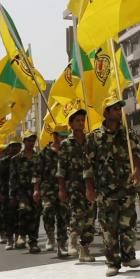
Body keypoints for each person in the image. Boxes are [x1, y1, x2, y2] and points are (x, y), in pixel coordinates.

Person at [87, 97, 140, 277]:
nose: (119, 112)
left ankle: (128, 256)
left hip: (126, 187)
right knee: (109, 227)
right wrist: (90, 188)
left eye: (120, 108)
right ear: (106, 113)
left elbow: (137, 154)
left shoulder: (128, 134)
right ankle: (112, 262)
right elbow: (88, 166)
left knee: (128, 223)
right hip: (105, 189)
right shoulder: (95, 137)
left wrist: (137, 170)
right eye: (115, 109)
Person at [57, 107, 96, 263]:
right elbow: (61, 169)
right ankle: (72, 239)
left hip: (91, 185)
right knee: (77, 213)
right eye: (77, 121)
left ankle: (84, 250)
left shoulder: (90, 141)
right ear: (71, 124)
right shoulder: (66, 144)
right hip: (74, 185)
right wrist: (61, 189)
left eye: (82, 120)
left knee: (91, 217)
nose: (81, 123)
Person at [8, 131, 41, 253]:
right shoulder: (16, 159)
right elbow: (12, 178)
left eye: (33, 141)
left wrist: (38, 189)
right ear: (24, 142)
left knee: (35, 216)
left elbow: (39, 174)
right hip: (21, 191)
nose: (31, 143)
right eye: (28, 141)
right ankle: (21, 235)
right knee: (23, 210)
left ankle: (33, 242)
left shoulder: (38, 157)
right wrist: (12, 195)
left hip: (35, 190)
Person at [38, 133, 69, 258]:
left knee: (63, 216)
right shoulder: (44, 153)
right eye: (62, 135)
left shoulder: (67, 150)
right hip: (47, 189)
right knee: (47, 212)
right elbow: (37, 172)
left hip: (64, 189)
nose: (64, 138)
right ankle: (50, 237)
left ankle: (62, 244)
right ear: (55, 136)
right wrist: (36, 189)